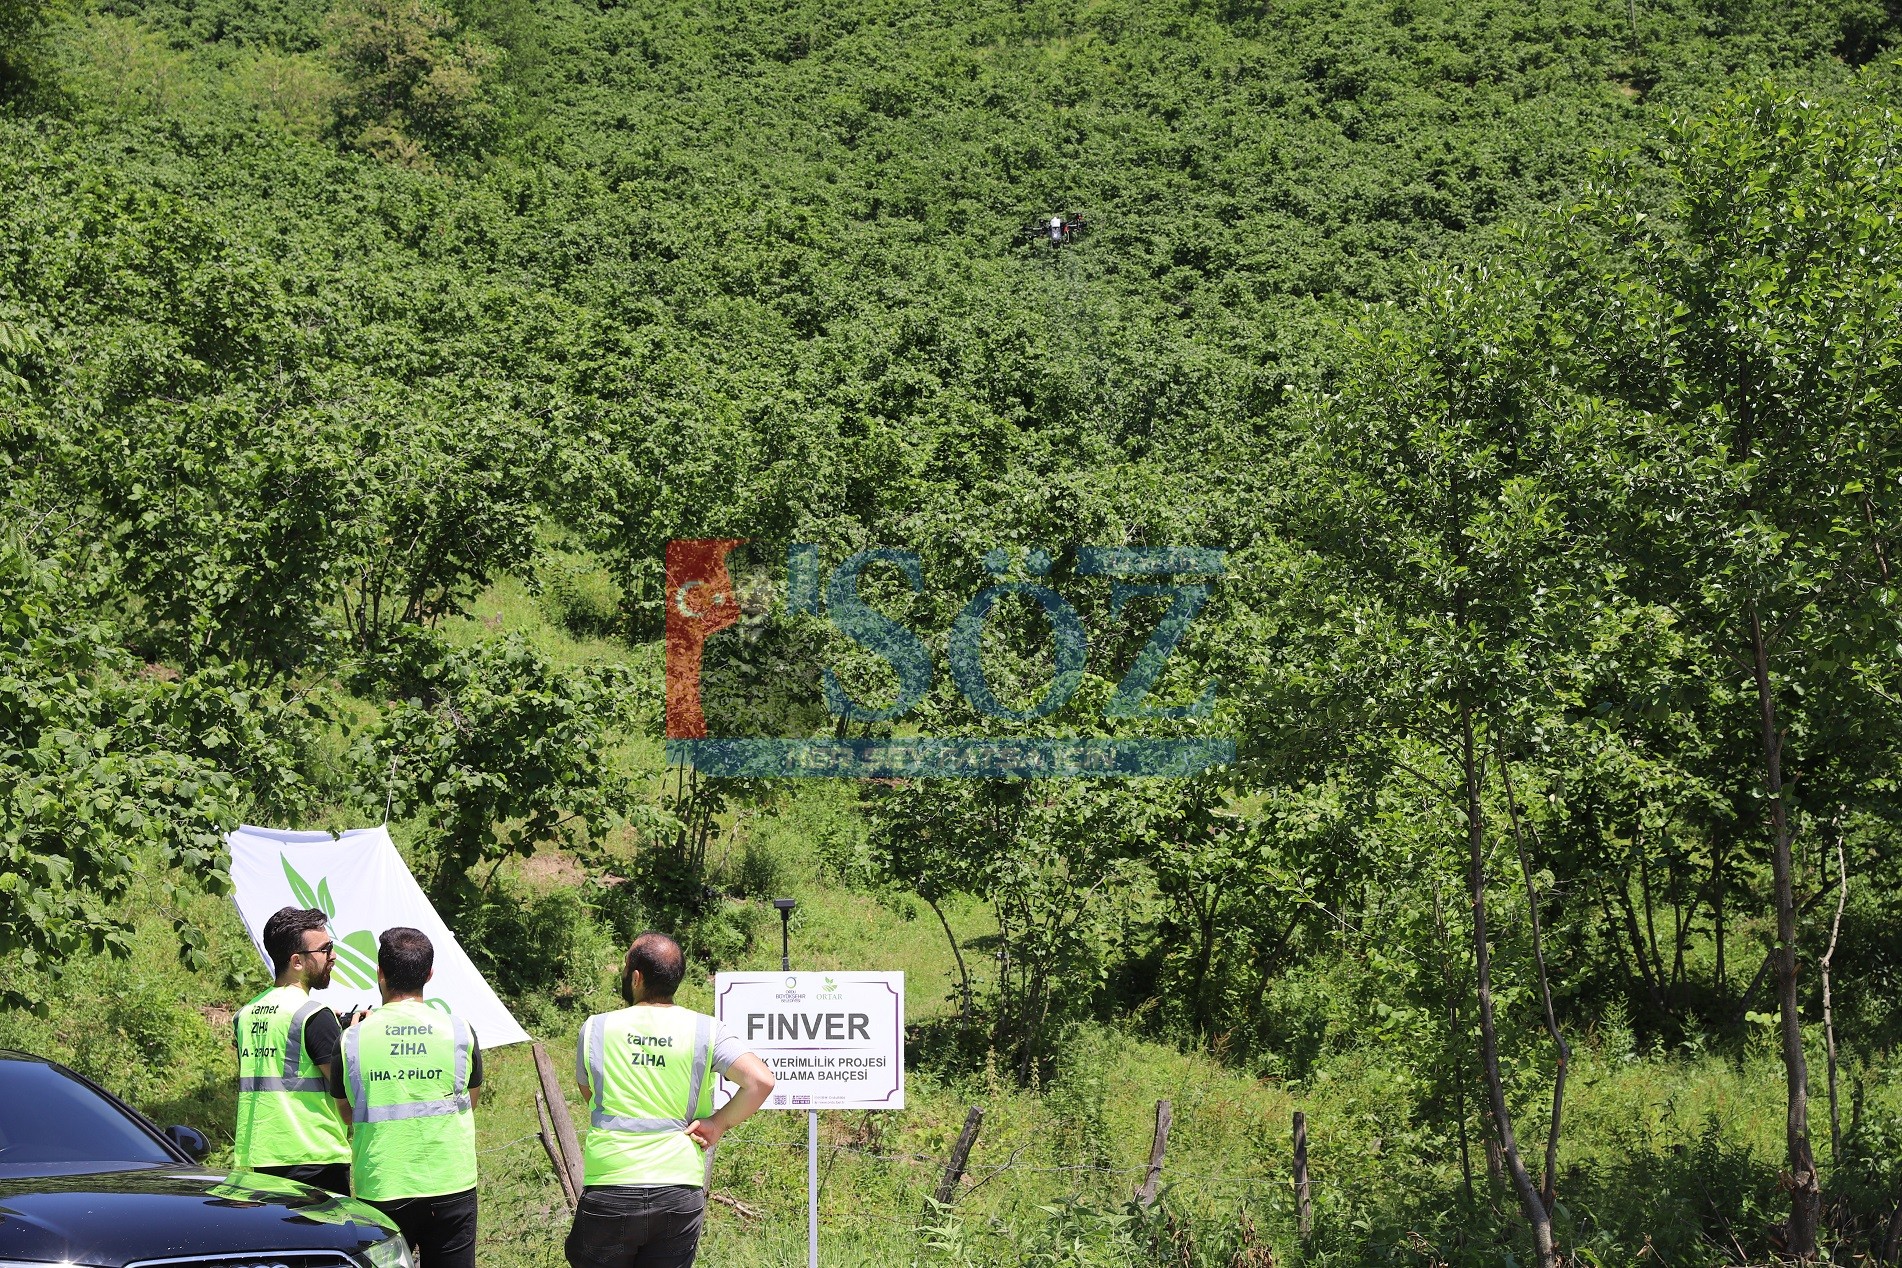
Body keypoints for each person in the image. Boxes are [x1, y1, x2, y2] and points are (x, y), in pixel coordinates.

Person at [567, 932, 776, 1268]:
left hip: (611, 1184)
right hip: (678, 1190)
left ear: (636, 978)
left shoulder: (596, 1028)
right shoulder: (706, 1030)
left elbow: (590, 1093)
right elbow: (760, 1081)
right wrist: (718, 1123)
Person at [335, 927, 482, 1268]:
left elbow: (346, 1113)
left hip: (382, 1184)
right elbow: (469, 1102)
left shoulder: (352, 1039)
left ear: (380, 973)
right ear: (429, 974)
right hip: (451, 1183)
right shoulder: (460, 1030)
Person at [232, 906, 355, 1195]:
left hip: (260, 1159)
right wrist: (353, 1038)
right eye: (325, 949)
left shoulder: (245, 1014)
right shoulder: (313, 1014)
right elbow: (347, 1089)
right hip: (316, 1158)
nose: (333, 956)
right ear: (297, 961)